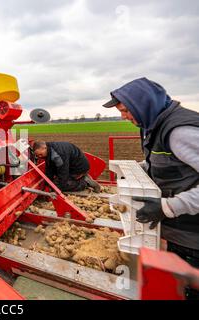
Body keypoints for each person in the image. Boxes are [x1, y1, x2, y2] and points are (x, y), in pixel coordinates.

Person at [103, 77, 199, 299]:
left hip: (193, 235)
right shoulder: (153, 125)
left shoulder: (180, 132)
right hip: (181, 231)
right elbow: (165, 162)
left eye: (126, 110)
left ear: (144, 105)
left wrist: (167, 207)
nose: (123, 116)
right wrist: (139, 170)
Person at [32, 140, 101, 192]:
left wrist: (54, 188)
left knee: (62, 185)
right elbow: (50, 168)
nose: (39, 157)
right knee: (55, 182)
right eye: (37, 155)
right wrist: (47, 183)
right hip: (71, 164)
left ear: (44, 147)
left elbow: (63, 174)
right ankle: (82, 177)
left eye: (40, 154)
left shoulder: (57, 155)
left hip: (78, 168)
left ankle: (85, 182)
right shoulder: (49, 149)